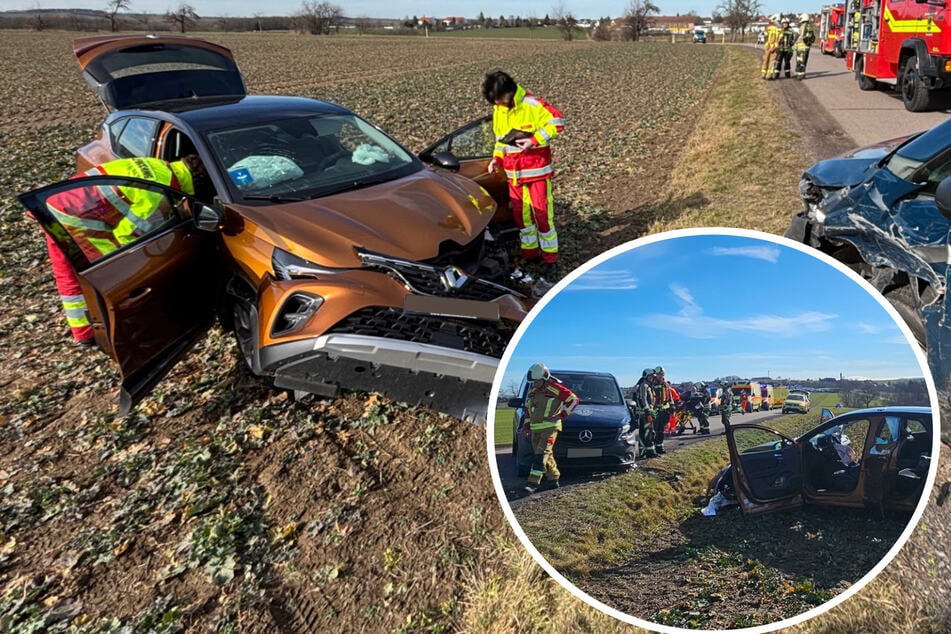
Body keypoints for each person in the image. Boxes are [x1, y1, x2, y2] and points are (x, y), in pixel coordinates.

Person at [39, 156, 212, 346]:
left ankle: (83, 333)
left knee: (66, 273)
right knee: (110, 276)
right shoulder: (155, 197)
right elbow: (127, 238)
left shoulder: (158, 165)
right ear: (196, 186)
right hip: (74, 217)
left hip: (60, 201)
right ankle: (110, 332)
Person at [482, 70, 565, 285]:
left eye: (499, 99)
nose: (497, 104)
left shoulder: (533, 104)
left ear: (509, 92)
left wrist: (534, 140)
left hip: (537, 172)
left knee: (542, 216)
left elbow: (557, 122)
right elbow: (500, 139)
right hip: (513, 174)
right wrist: (496, 160)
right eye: (494, 101)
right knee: (522, 217)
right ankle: (530, 255)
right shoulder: (499, 109)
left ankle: (550, 259)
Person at [523, 362, 579, 493]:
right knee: (547, 454)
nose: (534, 384)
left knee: (541, 454)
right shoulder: (532, 393)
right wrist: (526, 427)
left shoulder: (555, 388)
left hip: (550, 428)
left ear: (545, 378)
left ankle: (533, 482)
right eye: (533, 382)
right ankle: (553, 478)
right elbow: (527, 410)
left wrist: (562, 415)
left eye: (537, 381)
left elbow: (574, 400)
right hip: (535, 429)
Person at [634, 368, 658, 458]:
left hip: (646, 413)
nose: (652, 378)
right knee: (648, 432)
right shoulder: (644, 386)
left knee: (645, 432)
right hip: (645, 414)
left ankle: (644, 452)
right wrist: (647, 411)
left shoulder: (648, 385)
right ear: (646, 376)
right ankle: (649, 452)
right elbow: (643, 399)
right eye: (651, 376)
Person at [651, 366, 676, 454]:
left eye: (662, 374)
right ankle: (653, 449)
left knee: (661, 430)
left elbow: (670, 397)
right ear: (656, 374)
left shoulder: (665, 384)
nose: (661, 376)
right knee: (654, 431)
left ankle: (660, 447)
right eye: (659, 374)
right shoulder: (651, 384)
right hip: (655, 411)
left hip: (664, 411)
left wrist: (672, 407)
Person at [795, 13, 816, 79]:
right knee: (804, 61)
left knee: (800, 61)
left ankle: (800, 75)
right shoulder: (809, 26)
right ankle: (802, 74)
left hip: (801, 46)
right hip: (806, 46)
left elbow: (800, 36)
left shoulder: (803, 26)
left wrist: (795, 44)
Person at [762, 15, 782, 79]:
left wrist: (766, 44)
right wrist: (775, 46)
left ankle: (763, 74)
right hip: (775, 47)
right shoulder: (780, 28)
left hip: (767, 46)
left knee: (765, 60)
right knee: (772, 62)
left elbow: (765, 36)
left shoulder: (768, 27)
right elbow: (780, 39)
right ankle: (769, 75)